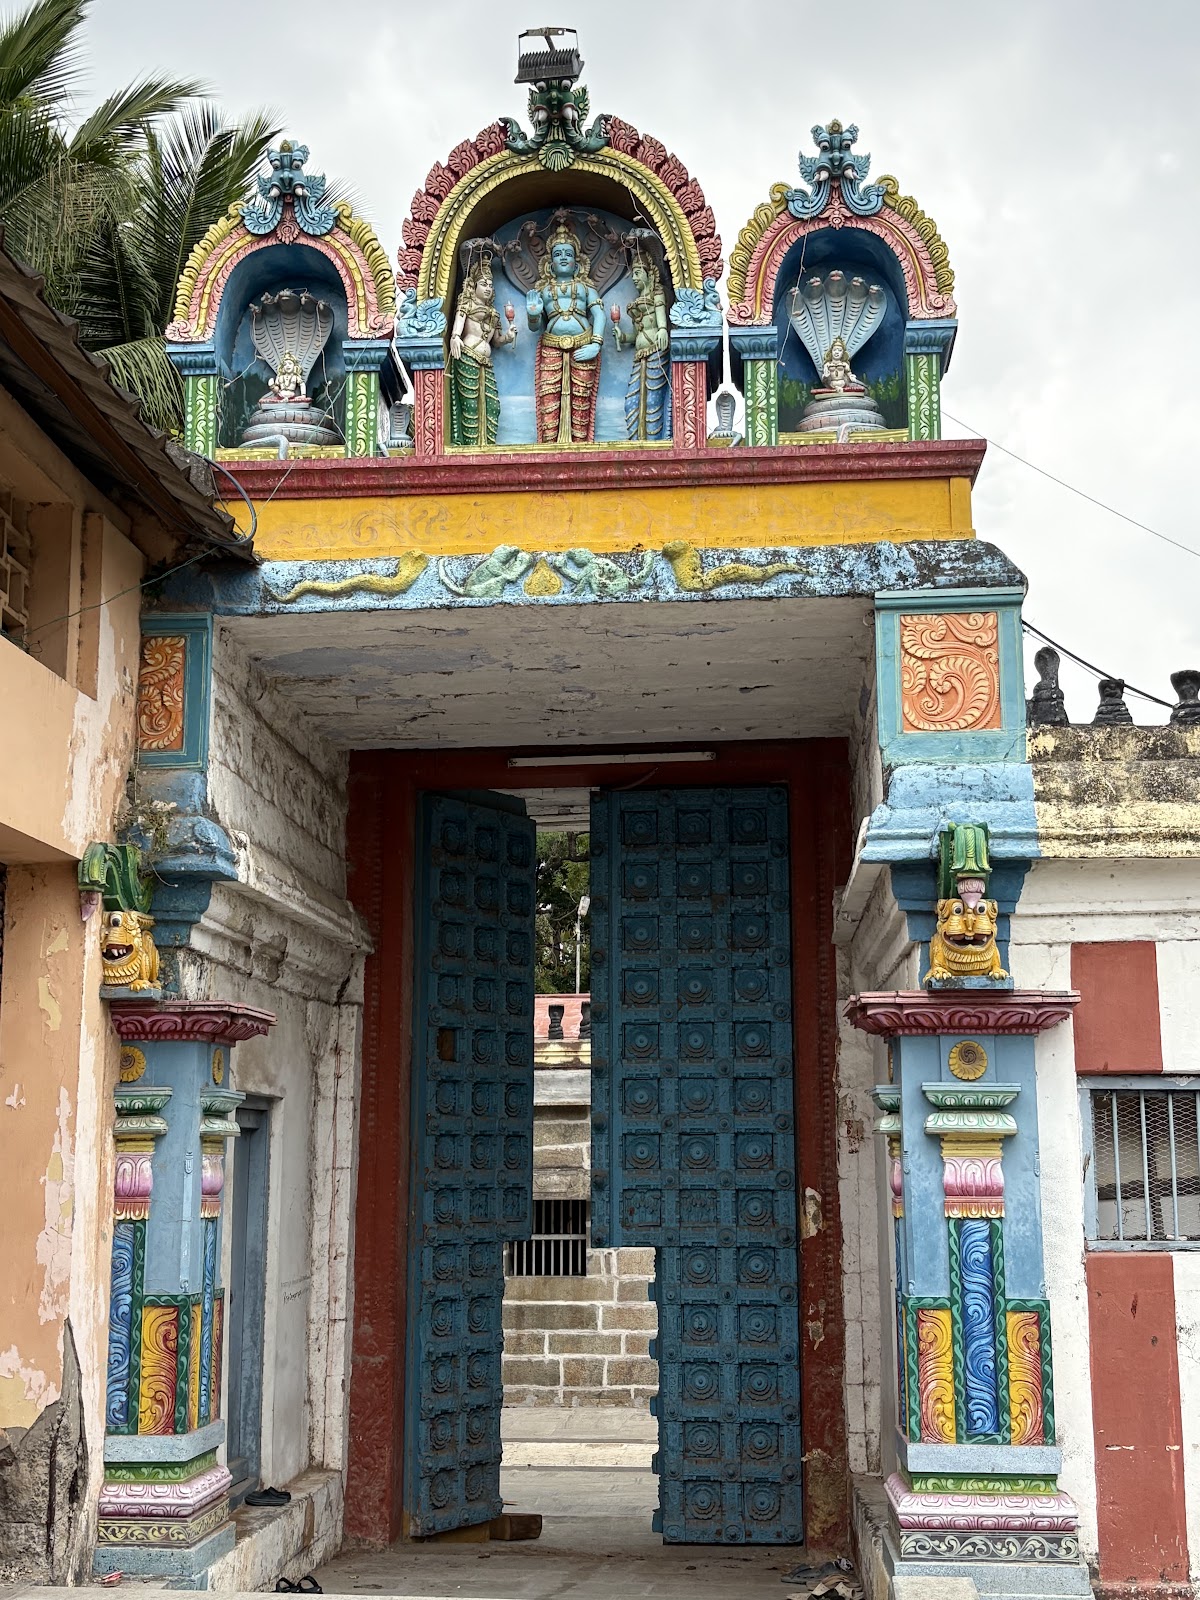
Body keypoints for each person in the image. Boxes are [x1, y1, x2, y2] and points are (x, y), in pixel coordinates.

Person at [526, 221, 605, 444]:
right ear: (550, 264)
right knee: (549, 398)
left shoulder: (586, 288)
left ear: (576, 263)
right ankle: (550, 446)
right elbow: (536, 327)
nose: (562, 257)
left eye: (567, 254)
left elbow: (599, 315)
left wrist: (596, 344)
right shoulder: (542, 290)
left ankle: (580, 446)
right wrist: (533, 314)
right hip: (551, 346)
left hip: (583, 345)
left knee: (581, 399)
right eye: (558, 254)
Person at [448, 256, 516, 447]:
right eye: (483, 284)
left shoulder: (494, 314)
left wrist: (508, 337)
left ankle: (486, 445)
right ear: (473, 286)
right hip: (468, 356)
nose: (488, 288)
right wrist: (455, 339)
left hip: (486, 361)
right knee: (471, 405)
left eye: (490, 285)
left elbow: (496, 340)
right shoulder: (466, 305)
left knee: (492, 405)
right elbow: (456, 330)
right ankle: (470, 446)